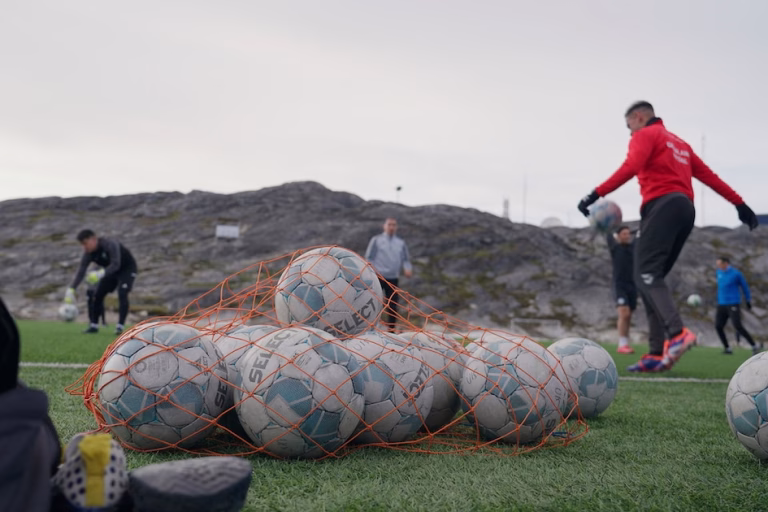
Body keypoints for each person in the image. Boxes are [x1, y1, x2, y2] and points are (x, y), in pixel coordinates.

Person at [578, 100, 759, 373]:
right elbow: (709, 176)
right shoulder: (680, 144)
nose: (630, 134)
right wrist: (739, 203)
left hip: (661, 207)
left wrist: (594, 194)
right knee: (649, 278)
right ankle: (654, 353)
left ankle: (677, 334)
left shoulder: (645, 135)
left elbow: (631, 165)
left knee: (646, 274)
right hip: (685, 210)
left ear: (638, 117)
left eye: (629, 127)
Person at [65, 229, 138, 334]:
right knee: (97, 294)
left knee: (122, 292)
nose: (84, 247)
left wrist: (99, 274)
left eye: (85, 243)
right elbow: (81, 271)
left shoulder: (109, 244)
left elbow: (116, 264)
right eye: (82, 244)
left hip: (126, 268)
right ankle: (94, 326)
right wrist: (71, 288)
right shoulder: (88, 253)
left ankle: (120, 327)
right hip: (109, 271)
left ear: (93, 239)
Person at [364, 218, 413, 332]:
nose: (391, 227)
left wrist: (408, 269)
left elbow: (406, 259)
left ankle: (391, 330)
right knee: (374, 303)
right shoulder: (376, 240)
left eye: (394, 225)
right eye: (389, 224)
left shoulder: (400, 243)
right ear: (384, 226)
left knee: (393, 305)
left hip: (393, 278)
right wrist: (371, 271)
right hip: (378, 277)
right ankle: (371, 328)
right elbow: (369, 257)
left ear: (396, 227)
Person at [715, 256, 759, 355]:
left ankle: (754, 346)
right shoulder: (718, 273)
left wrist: (748, 300)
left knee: (737, 325)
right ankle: (727, 348)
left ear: (726, 263)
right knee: (718, 326)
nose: (718, 266)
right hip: (721, 304)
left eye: (719, 264)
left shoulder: (736, 274)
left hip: (733, 303)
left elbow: (745, 287)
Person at [607, 226, 636, 354]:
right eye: (624, 234)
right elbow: (606, 232)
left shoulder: (633, 248)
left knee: (629, 316)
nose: (627, 236)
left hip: (633, 286)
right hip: (619, 285)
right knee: (624, 313)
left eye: (628, 234)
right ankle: (622, 344)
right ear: (618, 236)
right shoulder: (615, 248)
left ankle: (626, 343)